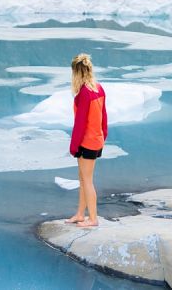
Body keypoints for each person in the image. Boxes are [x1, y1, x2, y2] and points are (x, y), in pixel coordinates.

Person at [66, 53, 107, 228]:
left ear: (76, 72)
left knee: (87, 180)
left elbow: (80, 124)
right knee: (83, 178)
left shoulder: (84, 93)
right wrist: (102, 135)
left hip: (87, 142)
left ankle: (93, 219)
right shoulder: (98, 88)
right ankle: (80, 214)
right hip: (96, 139)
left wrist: (73, 146)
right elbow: (103, 116)